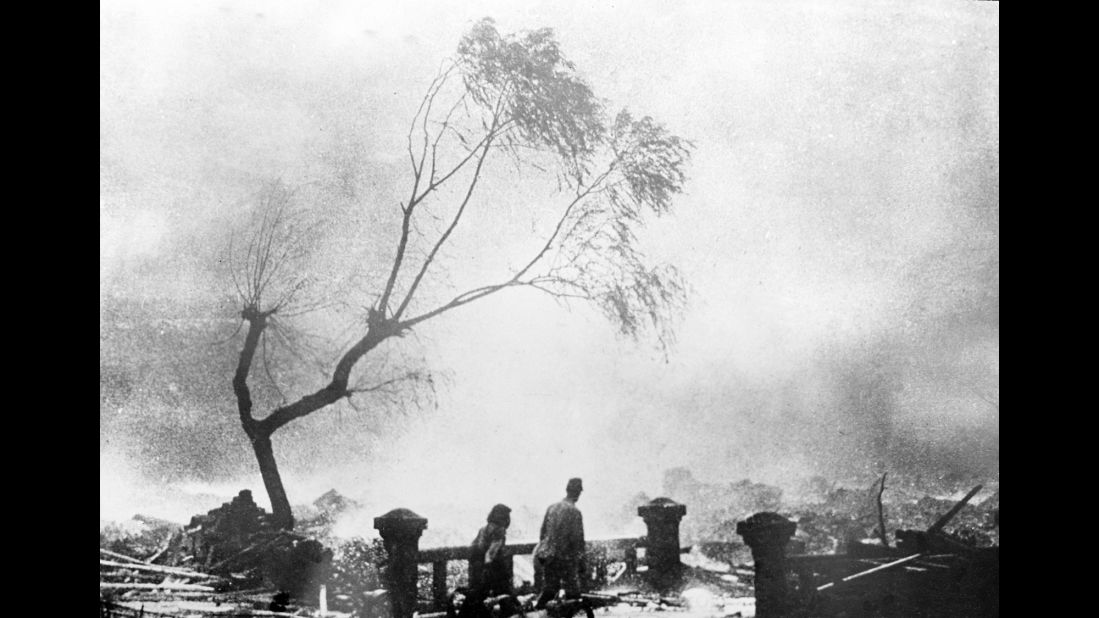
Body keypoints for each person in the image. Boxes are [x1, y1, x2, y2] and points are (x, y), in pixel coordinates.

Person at [534, 478, 587, 609]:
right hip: (565, 557)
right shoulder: (575, 512)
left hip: (548, 555)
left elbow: (542, 533)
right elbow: (577, 540)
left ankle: (537, 612)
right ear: (578, 493)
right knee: (572, 591)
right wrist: (581, 560)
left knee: (550, 588)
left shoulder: (552, 508)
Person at [461, 504, 519, 618]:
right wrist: (489, 567)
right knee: (504, 593)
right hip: (492, 567)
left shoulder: (484, 528)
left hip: (478, 565)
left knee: (477, 594)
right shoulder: (499, 530)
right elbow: (491, 553)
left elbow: (474, 548)